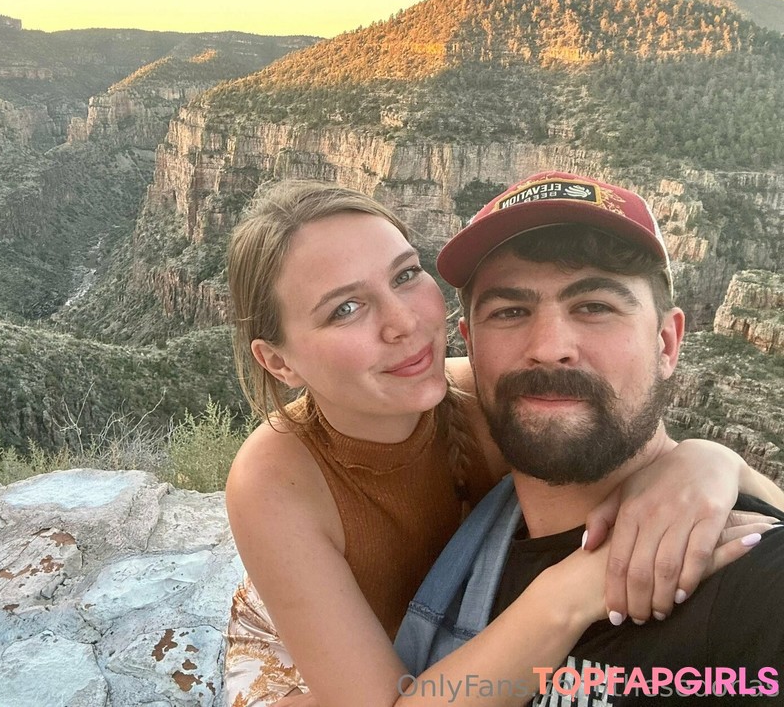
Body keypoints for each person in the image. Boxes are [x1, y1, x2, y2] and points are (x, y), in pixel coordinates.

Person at [222, 180, 782, 707]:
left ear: (668, 341)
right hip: (305, 655)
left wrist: (714, 462)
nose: (403, 324)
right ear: (278, 362)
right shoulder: (277, 478)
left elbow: (626, 425)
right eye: (345, 308)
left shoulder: (488, 392)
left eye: (406, 275)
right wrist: (570, 593)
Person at [395, 171, 784, 704]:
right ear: (471, 348)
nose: (550, 347)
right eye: (510, 312)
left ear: (667, 343)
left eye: (595, 306)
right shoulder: (444, 539)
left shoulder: (754, 575)